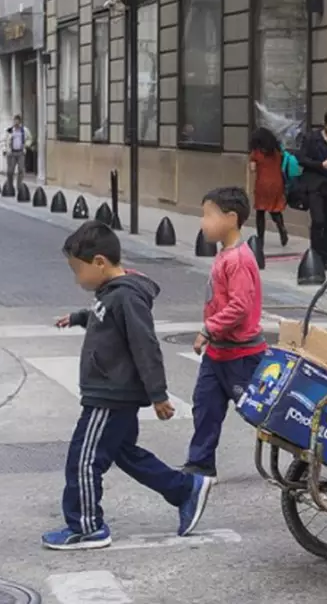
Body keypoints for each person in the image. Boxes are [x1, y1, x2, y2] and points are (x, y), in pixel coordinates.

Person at [44, 221, 213, 551]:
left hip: (110, 395)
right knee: (125, 454)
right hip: (110, 391)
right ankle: (183, 489)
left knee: (84, 459)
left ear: (100, 263)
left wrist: (159, 395)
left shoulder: (126, 297)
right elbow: (104, 316)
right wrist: (80, 317)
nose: (77, 278)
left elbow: (144, 345)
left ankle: (86, 526)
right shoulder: (111, 294)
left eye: (78, 270)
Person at [182, 186, 268, 481]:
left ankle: (304, 452)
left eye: (208, 215)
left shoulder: (239, 260)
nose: (203, 222)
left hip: (242, 355)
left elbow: (240, 307)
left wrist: (209, 328)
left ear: (231, 218)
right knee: (204, 406)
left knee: (263, 412)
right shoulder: (225, 256)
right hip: (218, 352)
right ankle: (200, 463)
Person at [296, 110, 327, 271]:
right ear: (324, 124)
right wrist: (320, 164)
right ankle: (315, 256)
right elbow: (302, 159)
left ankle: (325, 258)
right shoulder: (312, 138)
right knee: (318, 221)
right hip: (315, 186)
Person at [248, 126, 289, 248]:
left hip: (262, 184)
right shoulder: (277, 152)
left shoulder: (256, 153)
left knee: (260, 211)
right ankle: (282, 229)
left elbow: (253, 168)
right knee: (275, 209)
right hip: (277, 183)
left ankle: (260, 238)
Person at [5, 114, 29, 188]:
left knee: (21, 170)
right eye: (15, 121)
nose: (16, 123)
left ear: (20, 122)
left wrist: (25, 145)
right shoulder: (10, 130)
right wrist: (6, 149)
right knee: (10, 171)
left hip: (20, 152)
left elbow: (29, 139)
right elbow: (4, 140)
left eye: (17, 121)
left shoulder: (24, 130)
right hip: (12, 152)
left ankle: (19, 186)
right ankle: (10, 186)